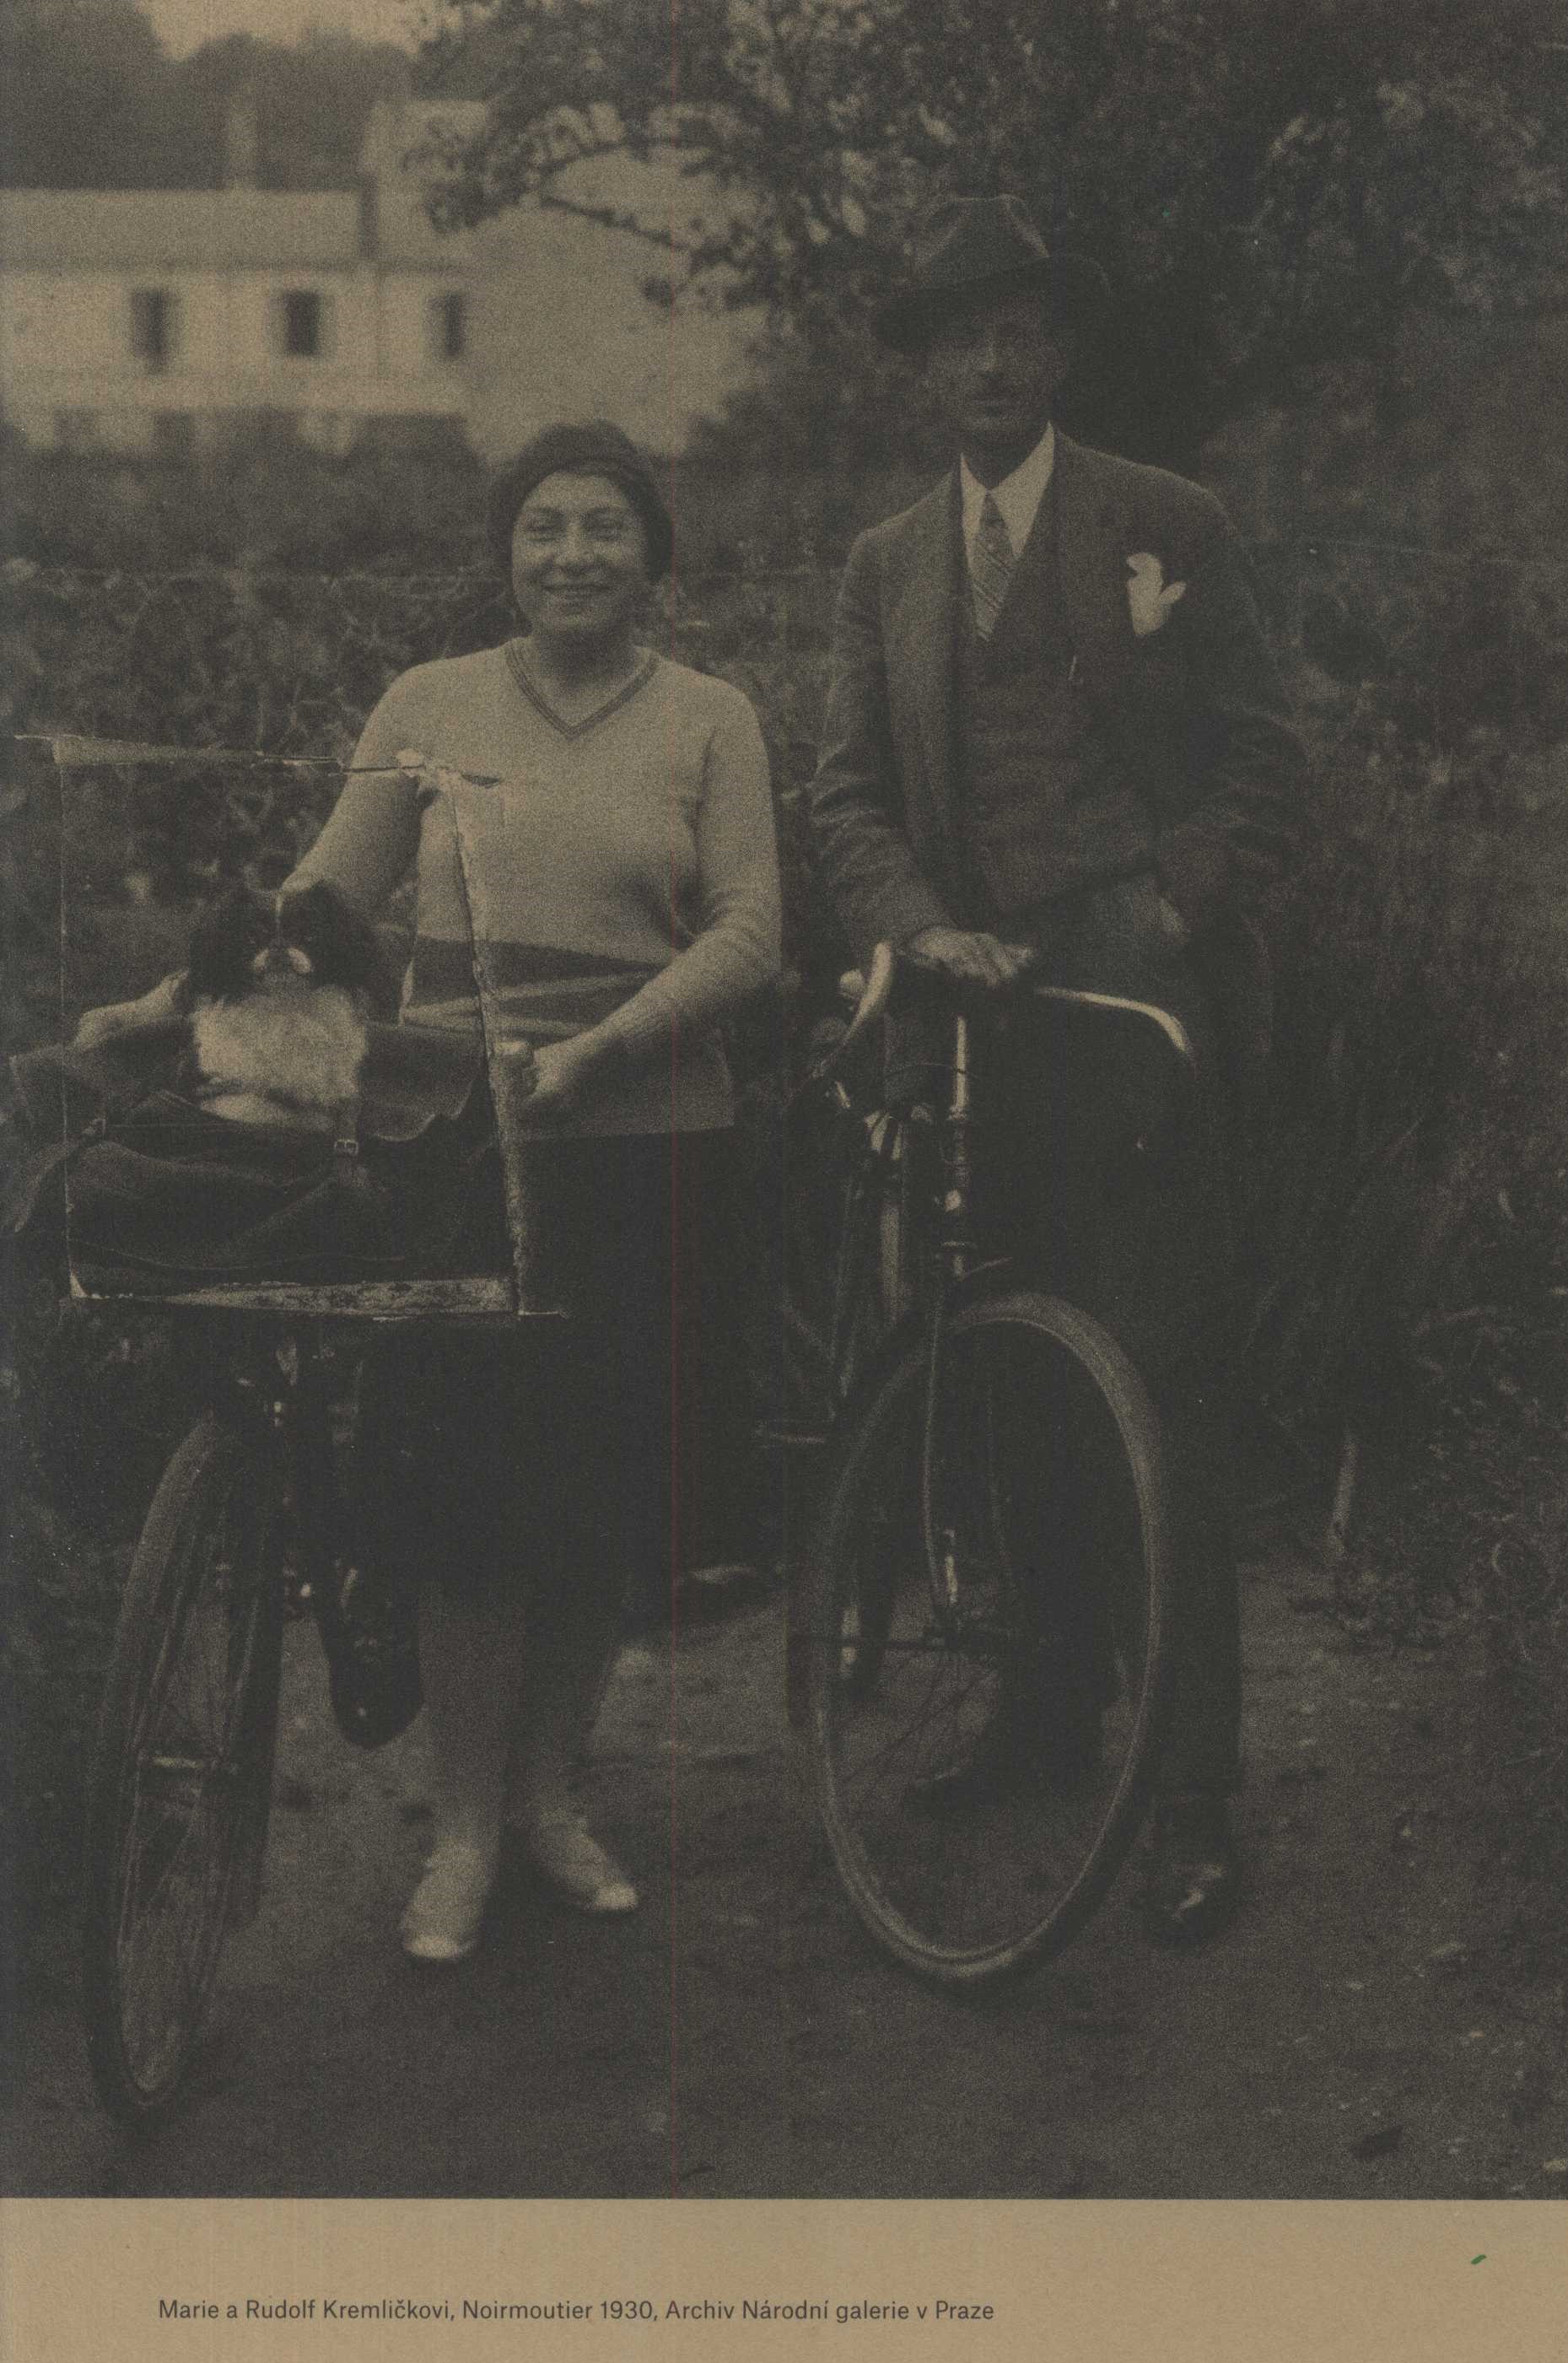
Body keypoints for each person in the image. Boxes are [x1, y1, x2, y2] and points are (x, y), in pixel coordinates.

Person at [81, 422, 783, 1964]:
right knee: (470, 1488)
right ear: (507, 552)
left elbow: (750, 933)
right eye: (545, 526)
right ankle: (463, 1831)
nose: (573, 554)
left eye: (605, 526)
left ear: (653, 555)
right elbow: (321, 900)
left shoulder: (711, 718)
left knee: (601, 1496)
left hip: (649, 1140)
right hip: (464, 1146)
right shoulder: (430, 704)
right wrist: (163, 1003)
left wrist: (601, 1049)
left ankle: (550, 1800)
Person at [809, 197, 1309, 1942]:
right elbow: (846, 795)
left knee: (1157, 1385)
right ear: (924, 370)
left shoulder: (1165, 523)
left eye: (1016, 330)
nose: (989, 362)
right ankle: (1043, 1710)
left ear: (1061, 351)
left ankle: (1192, 1795)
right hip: (968, 1018)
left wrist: (1171, 908)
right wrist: (918, 927)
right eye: (957, 337)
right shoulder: (886, 565)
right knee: (1004, 1374)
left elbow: (1263, 753)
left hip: (1132, 1022)